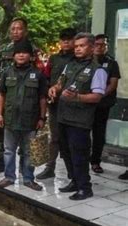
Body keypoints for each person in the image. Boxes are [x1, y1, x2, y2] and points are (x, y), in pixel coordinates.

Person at [48, 33, 107, 200]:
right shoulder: (70, 65)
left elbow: (97, 96)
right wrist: (55, 88)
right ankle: (74, 180)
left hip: (80, 120)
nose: (78, 49)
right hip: (63, 116)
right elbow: (61, 82)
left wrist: (77, 97)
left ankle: (84, 187)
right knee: (66, 152)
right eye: (77, 46)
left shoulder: (98, 70)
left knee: (79, 154)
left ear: (92, 47)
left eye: (82, 46)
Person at [0, 39, 47, 191]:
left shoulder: (38, 75)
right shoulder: (7, 73)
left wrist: (42, 118)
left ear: (30, 56)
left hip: (30, 121)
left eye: (24, 53)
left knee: (28, 152)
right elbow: (1, 95)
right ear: (13, 56)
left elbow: (43, 98)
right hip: (10, 120)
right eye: (18, 53)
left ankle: (28, 179)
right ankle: (9, 177)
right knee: (9, 151)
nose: (21, 55)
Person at [0, 18, 42, 173]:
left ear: (25, 30)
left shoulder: (33, 50)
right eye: (12, 29)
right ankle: (1, 161)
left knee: (26, 131)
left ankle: (24, 165)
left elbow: (39, 74)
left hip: (27, 97)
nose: (15, 32)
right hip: (5, 93)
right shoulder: (3, 49)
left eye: (19, 28)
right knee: (2, 130)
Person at [36, 28, 77, 180]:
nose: (65, 41)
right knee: (54, 138)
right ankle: (50, 167)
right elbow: (45, 78)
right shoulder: (53, 59)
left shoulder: (79, 59)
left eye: (69, 38)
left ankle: (74, 172)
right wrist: (47, 92)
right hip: (55, 104)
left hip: (74, 106)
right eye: (63, 39)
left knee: (71, 140)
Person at [90, 34, 121, 174]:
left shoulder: (111, 63)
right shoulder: (86, 61)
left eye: (103, 45)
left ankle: (95, 161)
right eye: (97, 44)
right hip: (85, 104)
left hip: (102, 104)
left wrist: (98, 96)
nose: (100, 47)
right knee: (82, 133)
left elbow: (113, 84)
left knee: (98, 134)